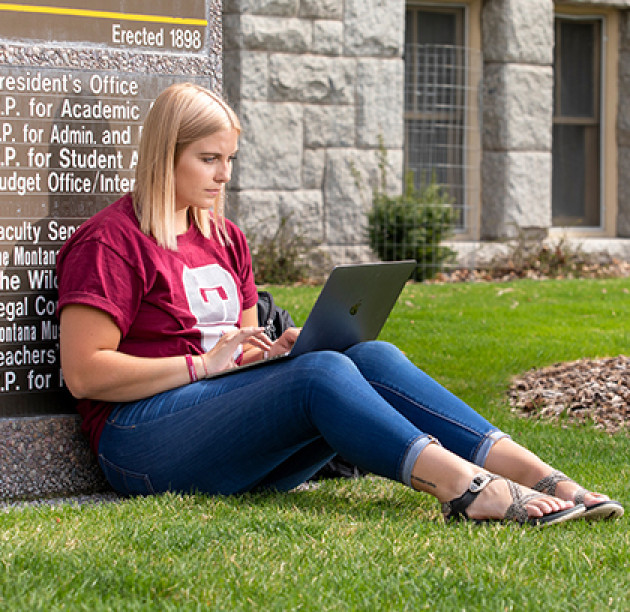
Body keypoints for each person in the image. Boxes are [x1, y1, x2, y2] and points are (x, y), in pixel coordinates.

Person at [56, 83, 623, 525]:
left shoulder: (224, 237)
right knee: (320, 374)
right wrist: (201, 366)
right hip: (141, 444)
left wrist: (272, 353)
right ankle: (466, 489)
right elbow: (84, 373)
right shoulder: (111, 242)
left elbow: (245, 351)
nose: (224, 175)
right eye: (209, 159)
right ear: (165, 156)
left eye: (229, 159)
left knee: (370, 356)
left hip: (222, 430)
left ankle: (543, 476)